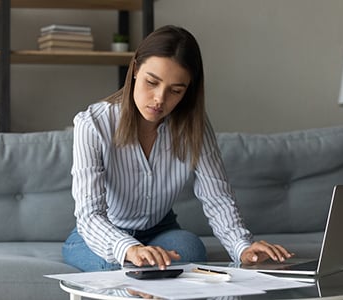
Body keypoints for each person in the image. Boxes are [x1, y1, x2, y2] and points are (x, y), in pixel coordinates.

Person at [62, 25, 292, 272]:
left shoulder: (194, 127)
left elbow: (217, 198)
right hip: (101, 233)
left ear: (188, 90)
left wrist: (243, 247)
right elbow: (90, 215)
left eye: (175, 90)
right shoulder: (93, 124)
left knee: (191, 250)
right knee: (122, 266)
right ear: (136, 69)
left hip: (161, 230)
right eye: (152, 82)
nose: (160, 99)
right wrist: (130, 249)